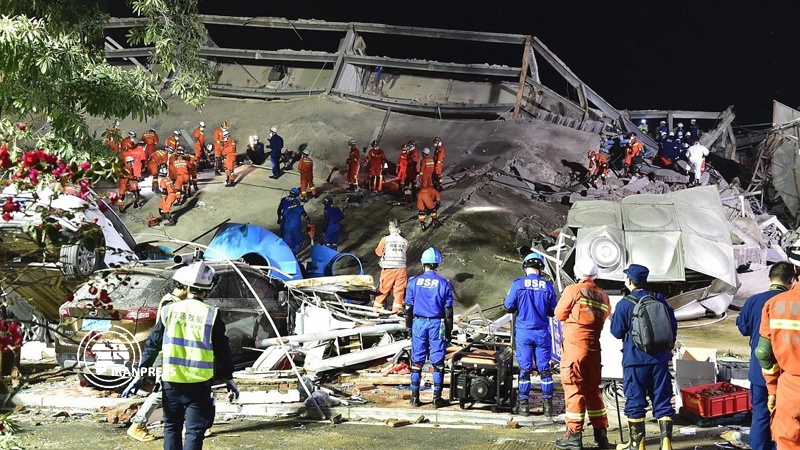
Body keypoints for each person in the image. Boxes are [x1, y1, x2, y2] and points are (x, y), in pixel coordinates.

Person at [132, 261, 238, 449]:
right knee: (194, 431)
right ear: (207, 290)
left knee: (171, 427)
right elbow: (223, 350)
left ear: (187, 287)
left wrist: (141, 373)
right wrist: (229, 377)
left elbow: (152, 344)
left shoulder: (168, 311)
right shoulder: (211, 315)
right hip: (199, 383)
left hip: (172, 381)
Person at [611, 264, 677, 450]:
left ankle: (637, 444)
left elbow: (616, 332)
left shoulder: (624, 304)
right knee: (663, 399)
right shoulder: (659, 299)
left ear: (630, 281)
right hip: (660, 360)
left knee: (635, 400)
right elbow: (672, 327)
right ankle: (666, 444)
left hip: (635, 360)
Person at [553, 258, 611, 450]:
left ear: (578, 273)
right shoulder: (603, 296)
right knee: (593, 391)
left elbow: (559, 314)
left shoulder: (573, 290)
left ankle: (574, 436)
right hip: (594, 351)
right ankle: (601, 436)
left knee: (574, 389)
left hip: (574, 350)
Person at [124, 279, 191, 442]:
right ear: (185, 286)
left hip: (172, 356)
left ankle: (186, 427)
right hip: (167, 357)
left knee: (178, 392)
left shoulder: (175, 301)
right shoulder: (170, 303)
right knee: (162, 393)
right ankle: (138, 424)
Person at [737, 262, 792, 450]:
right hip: (787, 374)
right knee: (786, 419)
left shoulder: (754, 301)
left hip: (759, 370)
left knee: (760, 414)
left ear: (769, 278)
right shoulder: (790, 302)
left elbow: (743, 328)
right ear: (791, 280)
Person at [757, 243, 800, 450]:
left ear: (795, 270)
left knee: (788, 440)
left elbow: (764, 353)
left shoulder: (775, 305)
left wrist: (772, 390)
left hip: (791, 388)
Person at [504, 252, 558, 417]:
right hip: (541, 332)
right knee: (545, 370)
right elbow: (553, 311)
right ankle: (548, 406)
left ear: (525, 267)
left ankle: (524, 405)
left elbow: (509, 306)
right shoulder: (548, 286)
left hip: (524, 333)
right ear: (540, 268)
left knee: (525, 369)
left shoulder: (518, 284)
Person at [404, 247, 453, 408]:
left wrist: (409, 327)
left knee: (416, 361)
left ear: (423, 263)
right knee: (438, 362)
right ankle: (436, 398)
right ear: (437, 264)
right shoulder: (444, 284)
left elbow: (408, 308)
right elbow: (448, 311)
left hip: (419, 323)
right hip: (436, 324)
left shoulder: (413, 282)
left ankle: (414, 398)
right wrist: (449, 330)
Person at [373, 219, 409, 313]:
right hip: (401, 270)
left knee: (383, 291)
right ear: (399, 228)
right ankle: (397, 313)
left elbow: (378, 252)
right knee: (399, 292)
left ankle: (376, 311)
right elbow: (406, 251)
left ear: (389, 227)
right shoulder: (405, 241)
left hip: (388, 269)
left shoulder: (385, 240)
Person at [280, 189, 309, 254]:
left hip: (286, 225)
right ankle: (294, 253)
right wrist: (309, 221)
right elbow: (305, 215)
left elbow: (280, 211)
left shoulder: (286, 207)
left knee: (285, 240)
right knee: (299, 241)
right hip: (296, 227)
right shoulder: (299, 207)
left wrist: (279, 219)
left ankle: (286, 252)